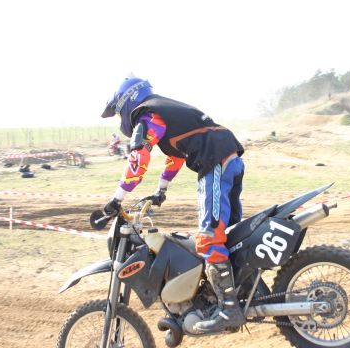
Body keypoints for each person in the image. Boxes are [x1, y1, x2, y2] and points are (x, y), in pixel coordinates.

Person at [101, 75, 245, 333]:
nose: (120, 117)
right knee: (229, 234)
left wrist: (116, 198)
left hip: (215, 162)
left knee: (209, 237)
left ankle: (229, 310)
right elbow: (176, 156)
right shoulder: (163, 110)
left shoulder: (147, 116)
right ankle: (236, 292)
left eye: (118, 111)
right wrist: (161, 189)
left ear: (127, 101)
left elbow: (138, 160)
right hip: (228, 158)